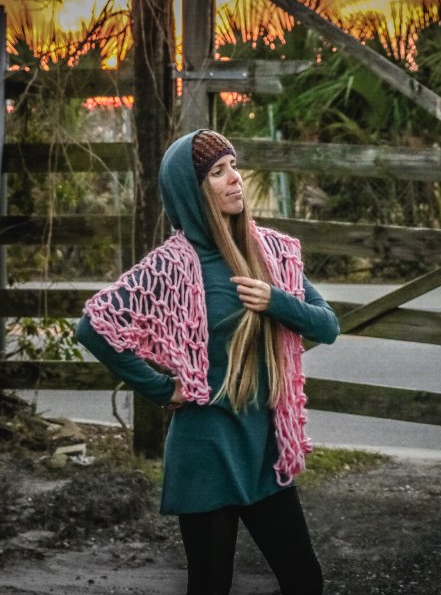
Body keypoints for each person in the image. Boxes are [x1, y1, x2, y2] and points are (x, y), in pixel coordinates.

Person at [75, 129, 339, 594]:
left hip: (264, 450)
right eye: (218, 172)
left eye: (233, 166)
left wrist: (276, 301)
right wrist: (160, 389)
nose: (235, 179)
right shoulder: (172, 267)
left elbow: (327, 326)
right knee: (211, 586)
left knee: (305, 580)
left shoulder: (272, 253)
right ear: (192, 192)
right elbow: (93, 328)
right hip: (205, 450)